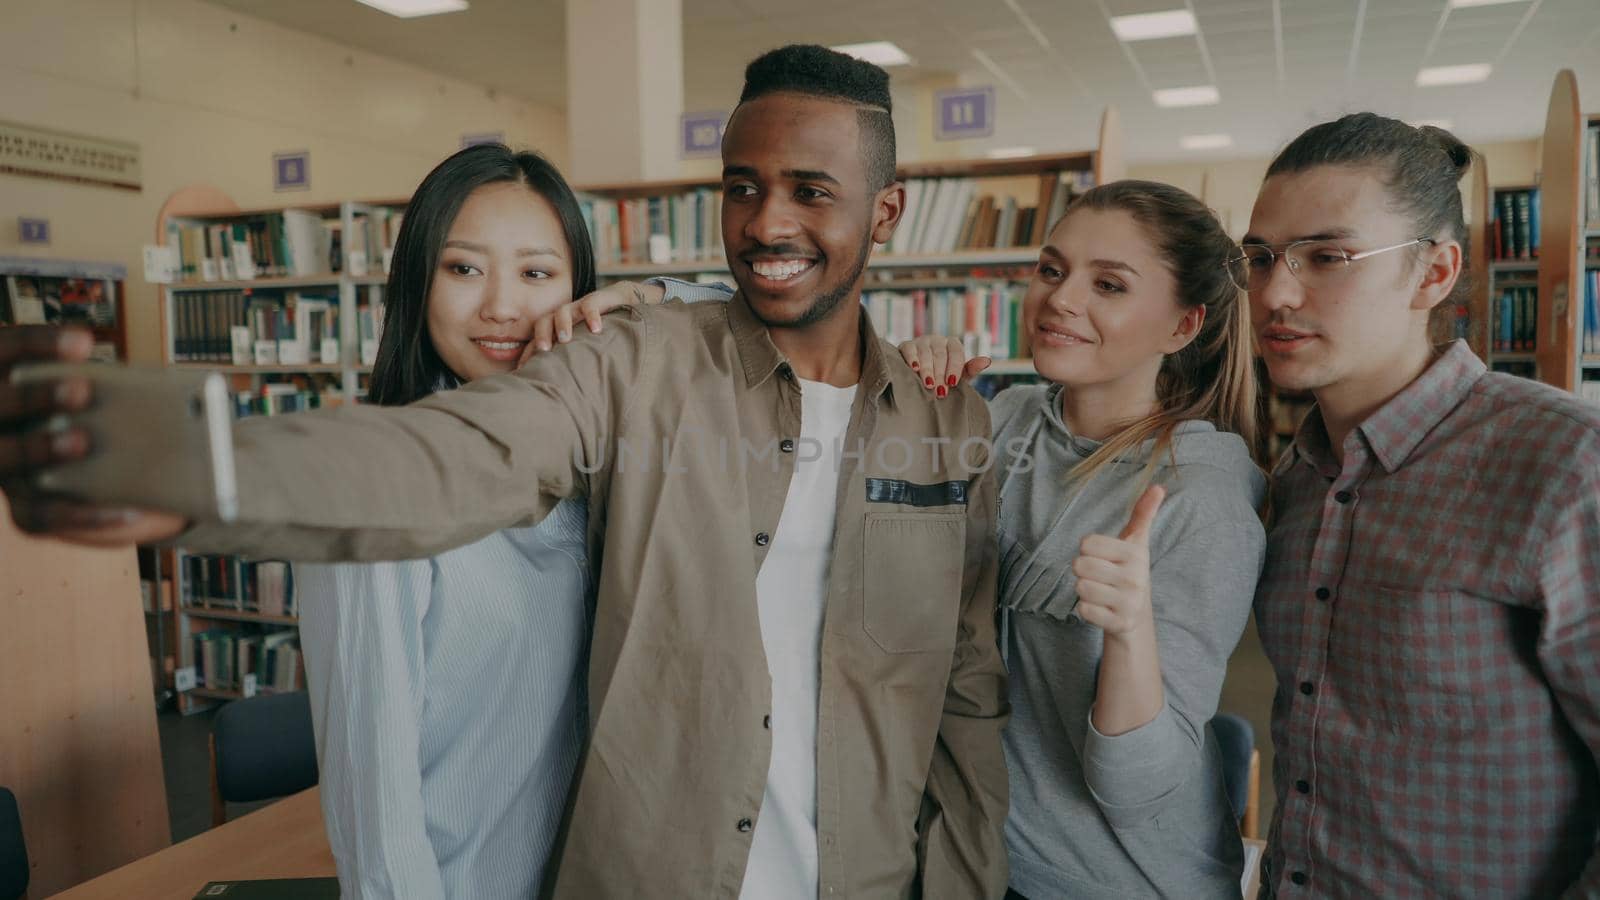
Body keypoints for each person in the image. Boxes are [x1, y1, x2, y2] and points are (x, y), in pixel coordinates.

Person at [0, 45, 1009, 899]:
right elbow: (447, 457)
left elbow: (964, 704)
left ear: (886, 216)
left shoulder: (947, 423)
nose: (765, 222)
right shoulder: (638, 363)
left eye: (810, 191)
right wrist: (197, 468)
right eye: (740, 187)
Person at [292, 143, 722, 899]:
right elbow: (375, 811)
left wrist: (649, 296)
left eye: (536, 272)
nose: (501, 307)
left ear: (579, 289)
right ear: (417, 284)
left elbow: (761, 318)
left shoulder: (602, 471)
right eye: (463, 268)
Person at [1243, 113, 1600, 897]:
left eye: (1327, 256)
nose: (1276, 292)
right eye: (1261, 257)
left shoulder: (1565, 460)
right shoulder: (1296, 477)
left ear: (1434, 274)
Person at [901, 180, 1266, 898]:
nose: (1062, 299)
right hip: (976, 857)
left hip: (1107, 884)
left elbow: (1140, 790)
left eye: (1109, 285)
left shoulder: (1202, 501)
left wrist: (1130, 630)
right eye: (1051, 270)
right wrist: (908, 392)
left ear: (1182, 327)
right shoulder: (1006, 420)